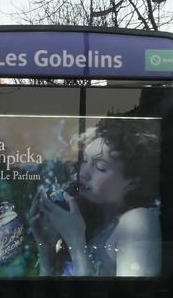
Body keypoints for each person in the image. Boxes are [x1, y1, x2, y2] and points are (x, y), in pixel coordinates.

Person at [28, 118, 161, 276]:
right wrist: (46, 248)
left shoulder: (138, 221)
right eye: (84, 161)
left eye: (100, 167)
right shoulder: (93, 224)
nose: (84, 173)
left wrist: (76, 242)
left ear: (132, 183)